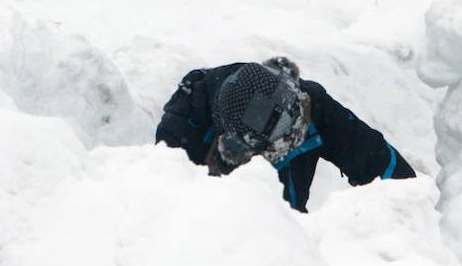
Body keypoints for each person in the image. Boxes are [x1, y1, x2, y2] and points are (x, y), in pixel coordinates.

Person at [155, 56, 415, 212]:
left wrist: (407, 213)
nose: (299, 132)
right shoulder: (180, 138)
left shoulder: (305, 101)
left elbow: (378, 163)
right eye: (285, 139)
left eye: (297, 120)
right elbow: (174, 224)